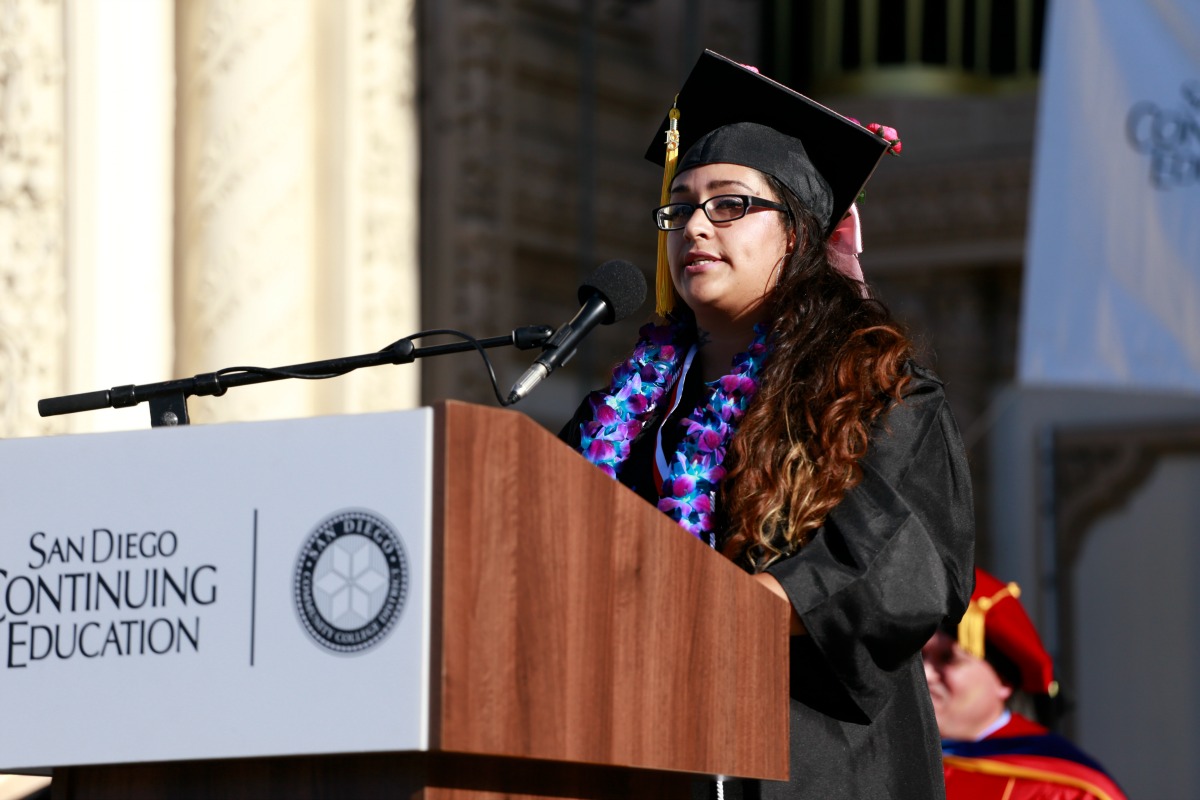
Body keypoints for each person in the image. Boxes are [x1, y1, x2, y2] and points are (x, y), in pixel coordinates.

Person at [559, 51, 976, 799]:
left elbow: (908, 576)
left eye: (729, 205)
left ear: (798, 235)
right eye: (680, 208)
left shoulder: (874, 394)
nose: (694, 226)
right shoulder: (619, 417)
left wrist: (710, 607)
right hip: (637, 757)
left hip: (817, 766)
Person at [923, 567, 1128, 800]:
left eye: (948, 659)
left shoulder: (1065, 791)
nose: (925, 675)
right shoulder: (898, 763)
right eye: (917, 659)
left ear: (1003, 680)